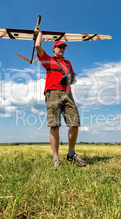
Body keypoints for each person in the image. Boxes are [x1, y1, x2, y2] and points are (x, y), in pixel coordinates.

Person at [34, 28, 87, 167]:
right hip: (53, 92)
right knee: (55, 125)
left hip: (68, 94)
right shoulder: (48, 60)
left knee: (75, 123)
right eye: (59, 47)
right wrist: (39, 34)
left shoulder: (68, 63)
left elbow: (73, 78)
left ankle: (71, 153)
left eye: (64, 47)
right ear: (54, 49)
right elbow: (38, 46)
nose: (62, 49)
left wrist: (70, 80)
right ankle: (56, 158)